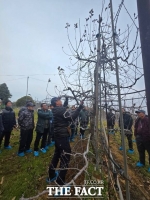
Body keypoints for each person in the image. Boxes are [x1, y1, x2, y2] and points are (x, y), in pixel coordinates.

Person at [47, 97, 84, 186]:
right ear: (56, 102)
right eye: (59, 100)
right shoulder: (61, 110)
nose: (61, 100)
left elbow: (64, 107)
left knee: (57, 155)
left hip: (58, 136)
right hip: (62, 136)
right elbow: (72, 118)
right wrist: (79, 107)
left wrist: (67, 100)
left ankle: (51, 175)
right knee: (65, 157)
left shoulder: (56, 109)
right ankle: (60, 183)